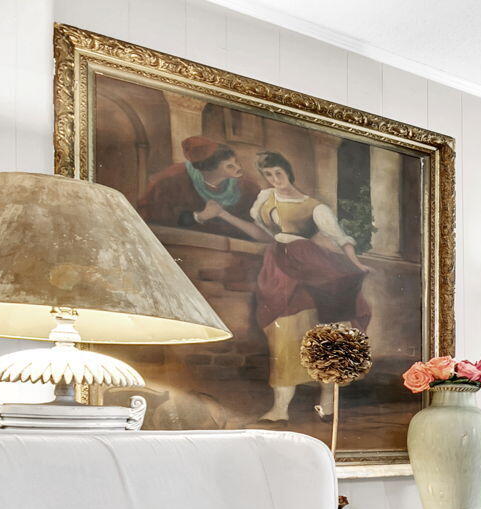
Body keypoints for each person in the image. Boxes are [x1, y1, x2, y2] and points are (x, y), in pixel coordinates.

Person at [247, 151, 371, 423]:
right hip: (278, 266)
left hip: (308, 264)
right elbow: (261, 226)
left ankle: (327, 403)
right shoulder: (264, 198)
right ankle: (280, 409)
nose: (274, 179)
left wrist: (356, 264)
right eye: (269, 174)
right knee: (280, 335)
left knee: (321, 332)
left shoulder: (314, 206)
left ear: (289, 172)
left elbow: (340, 238)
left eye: (278, 173)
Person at [138, 136, 264, 237]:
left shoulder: (247, 186)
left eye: (236, 162)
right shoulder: (173, 180)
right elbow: (151, 215)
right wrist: (199, 217)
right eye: (230, 166)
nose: (239, 168)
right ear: (209, 170)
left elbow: (258, 224)